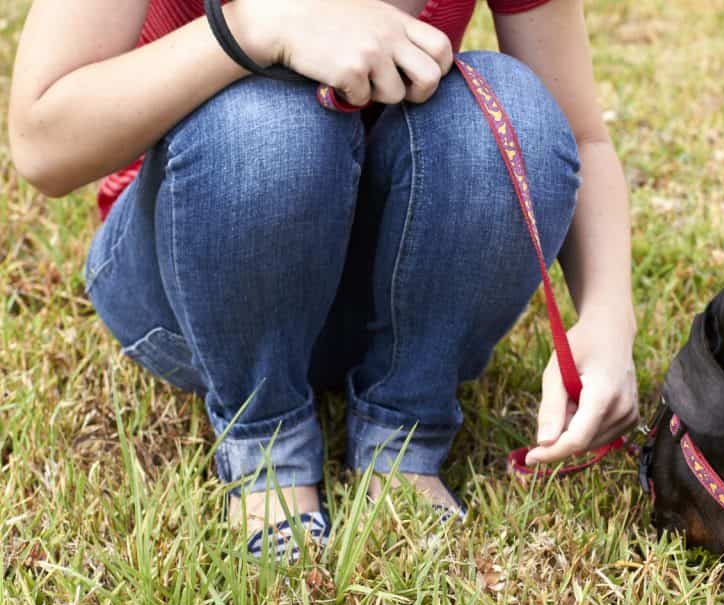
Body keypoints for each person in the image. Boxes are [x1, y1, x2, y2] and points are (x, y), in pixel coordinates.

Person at [8, 0, 638, 559]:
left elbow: (579, 135)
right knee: (267, 117)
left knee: (512, 104)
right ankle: (267, 447)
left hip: (382, 284)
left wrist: (609, 319)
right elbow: (42, 144)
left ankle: (404, 438)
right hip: (198, 280)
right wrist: (261, 28)